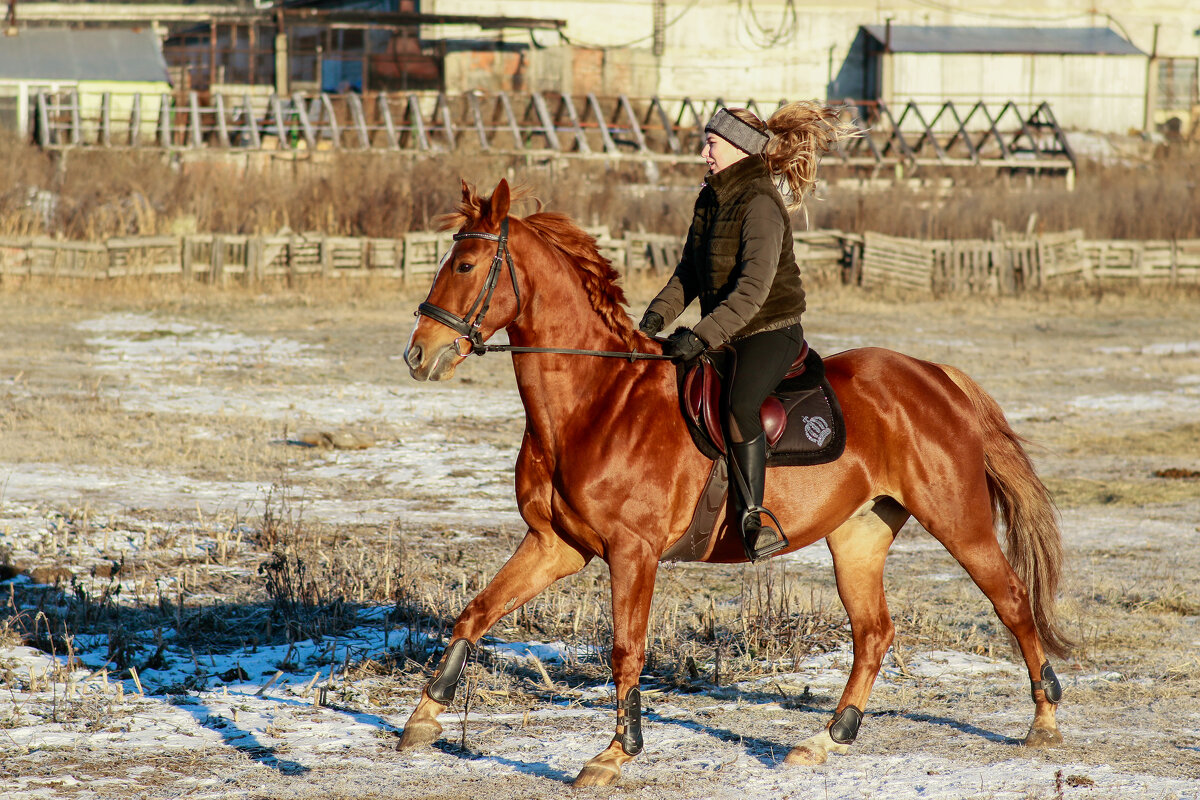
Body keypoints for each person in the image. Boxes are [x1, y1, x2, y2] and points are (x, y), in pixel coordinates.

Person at [639, 102, 857, 561]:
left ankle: (753, 519)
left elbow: (752, 292)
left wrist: (699, 336)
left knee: (740, 405)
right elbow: (688, 275)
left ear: (738, 147)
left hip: (769, 329)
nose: (704, 153)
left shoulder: (760, 204)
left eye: (712, 144)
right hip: (726, 329)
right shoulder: (710, 198)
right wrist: (652, 321)